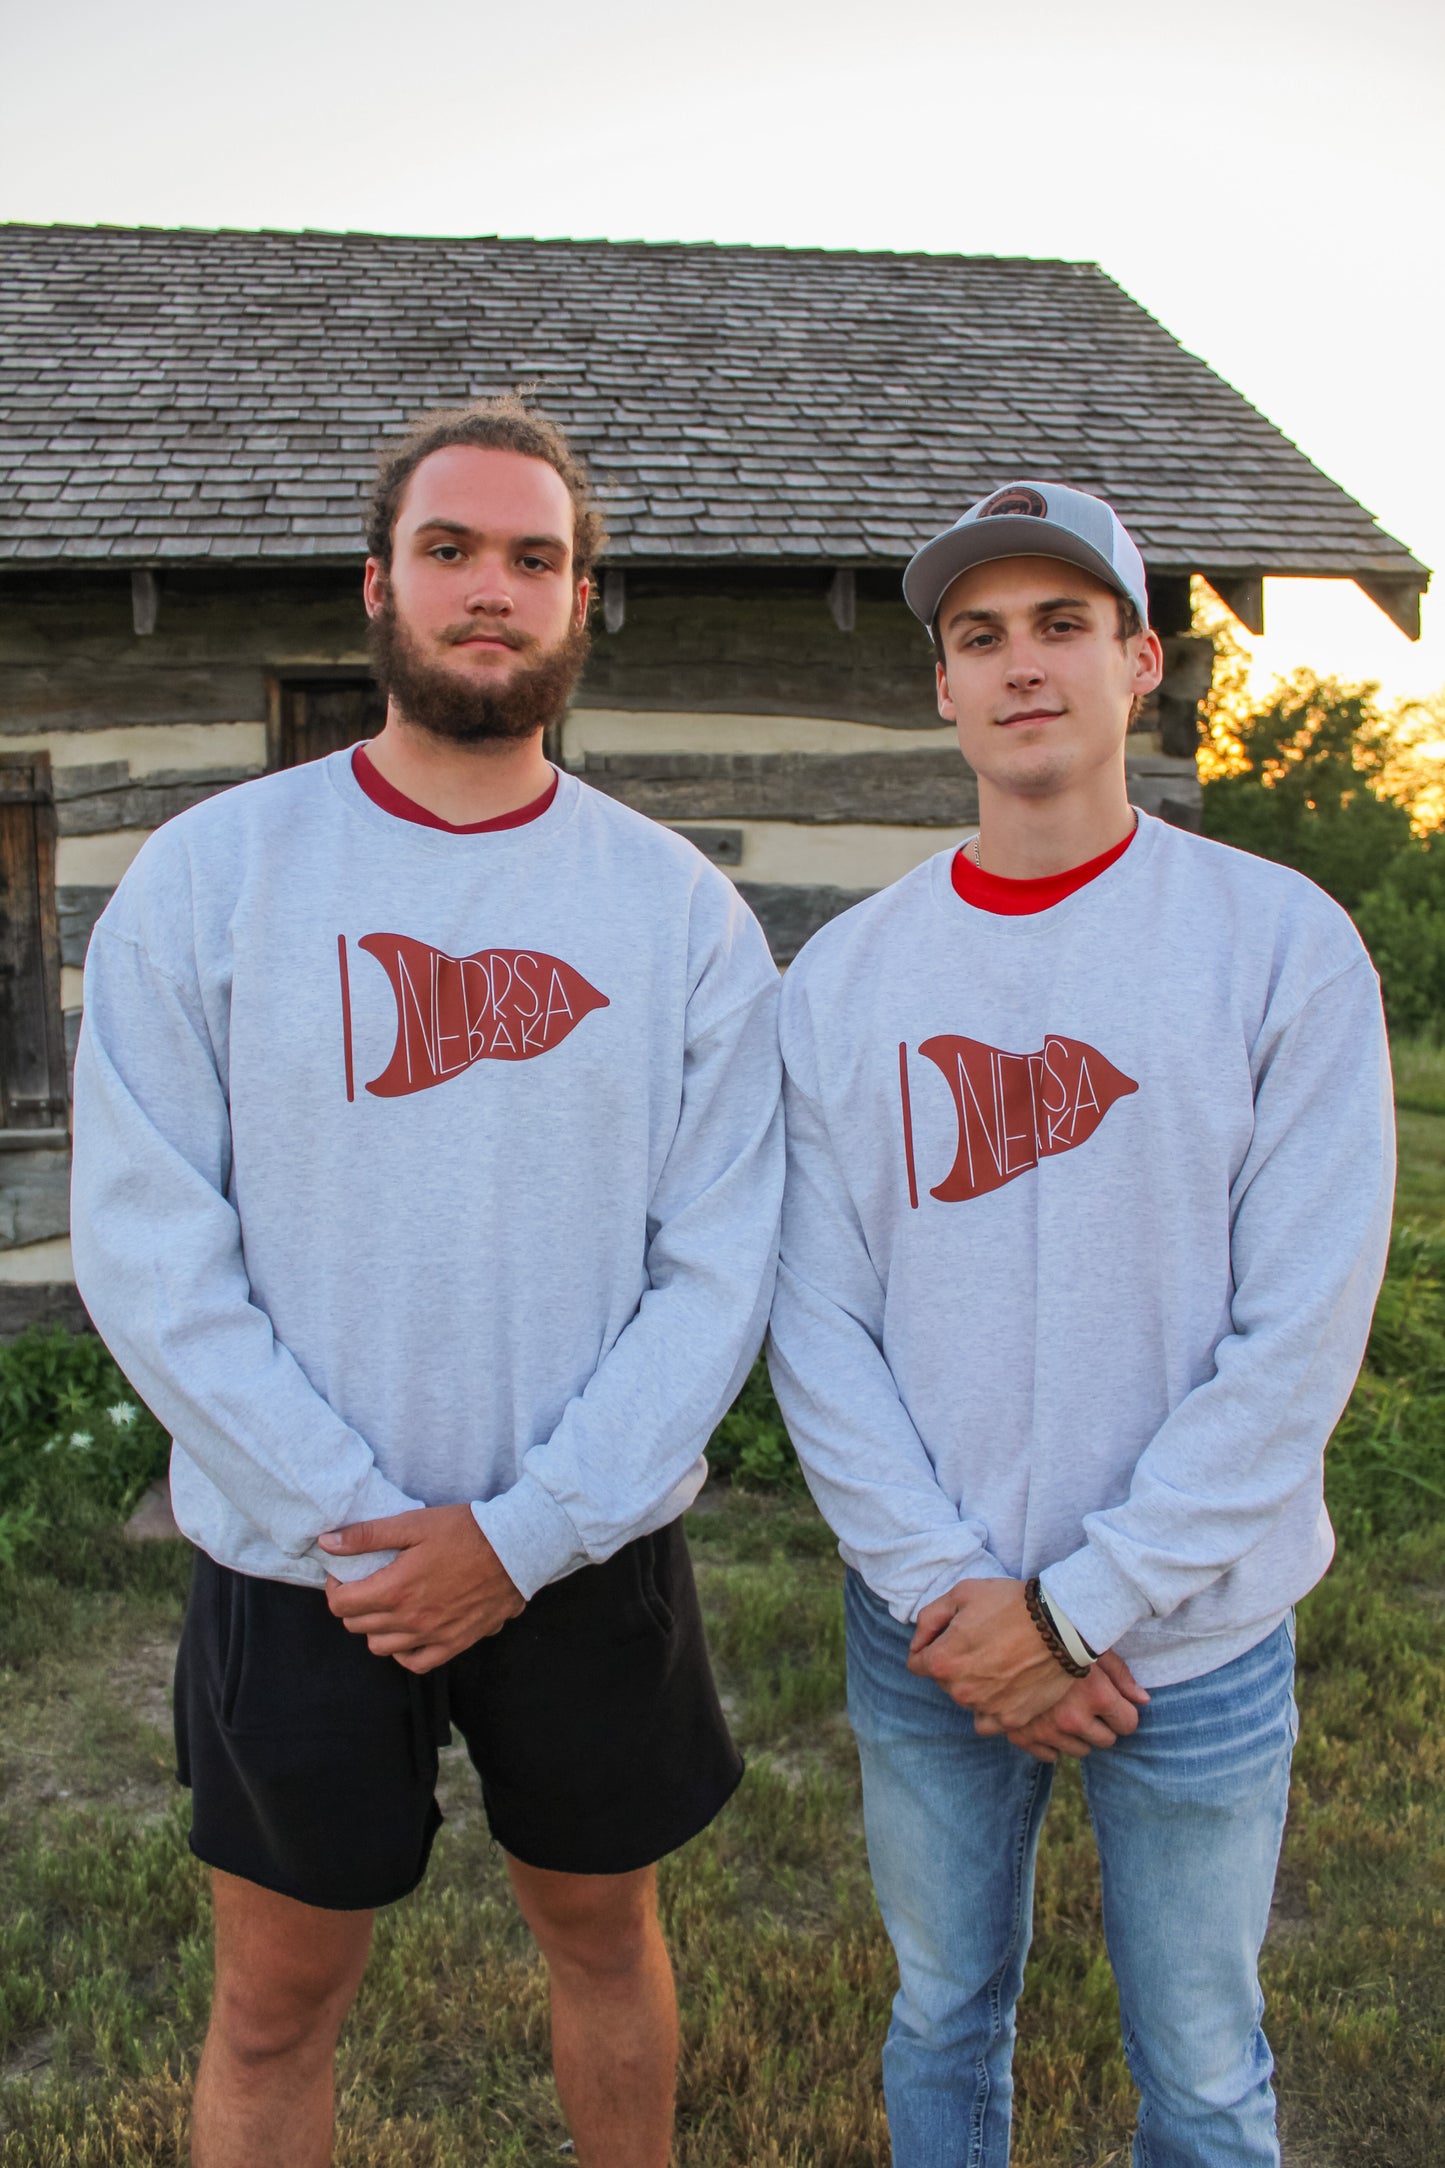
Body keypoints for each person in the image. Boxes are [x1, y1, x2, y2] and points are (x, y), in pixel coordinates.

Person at [70, 396, 783, 2168]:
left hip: (589, 1545)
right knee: (273, 2004)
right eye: (451, 550)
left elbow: (717, 1267)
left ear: (580, 602)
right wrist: (360, 1531)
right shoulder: (210, 881)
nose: (491, 589)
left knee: (604, 1939)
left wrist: (526, 1532)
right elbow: (151, 1251)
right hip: (301, 1563)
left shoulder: (677, 911)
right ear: (375, 584)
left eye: (533, 558)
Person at [766, 479, 1394, 2167]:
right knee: (940, 2019)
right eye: (980, 637)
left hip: (1187, 1639)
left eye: (1062, 627)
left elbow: (1297, 1338)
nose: (1019, 665)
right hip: (932, 1635)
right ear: (940, 690)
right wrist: (953, 1601)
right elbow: (815, 1325)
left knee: (1198, 2070)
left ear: (1143, 667)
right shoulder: (845, 979)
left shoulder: (1278, 947)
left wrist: (1080, 1607)